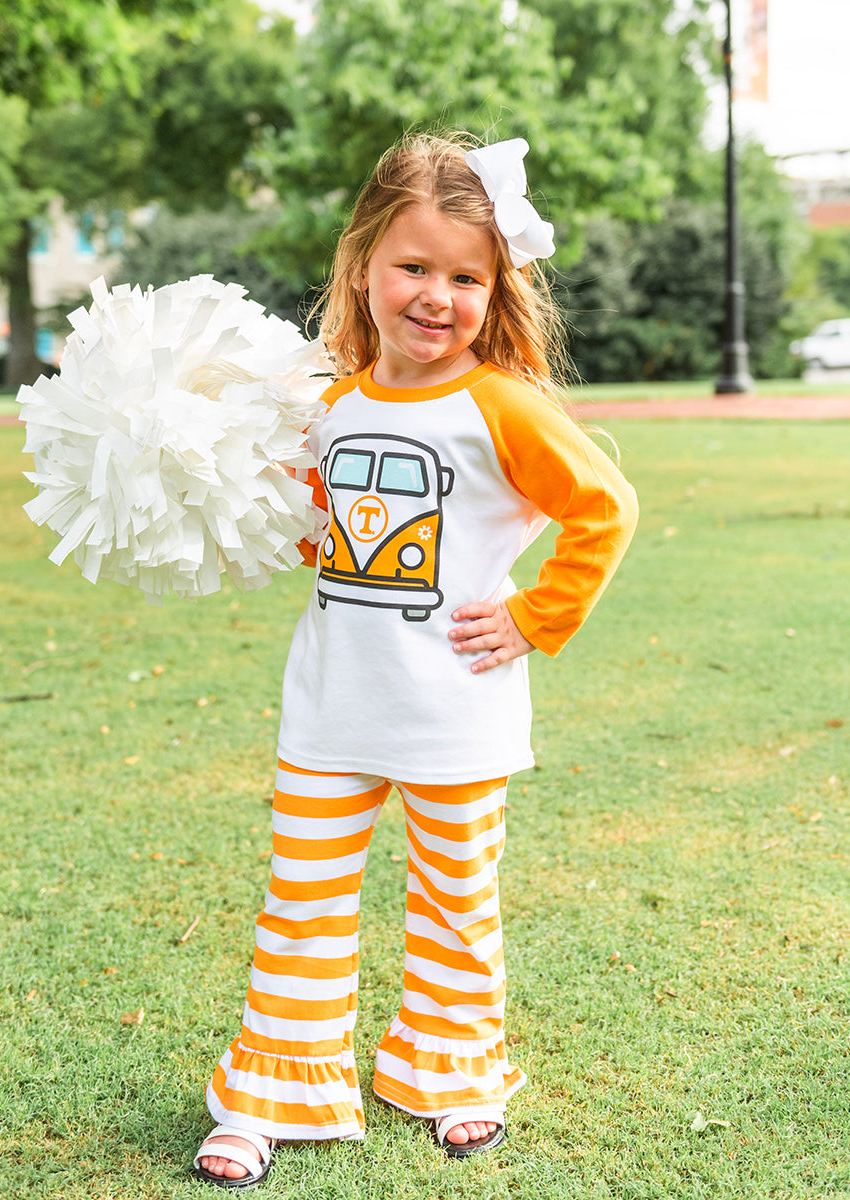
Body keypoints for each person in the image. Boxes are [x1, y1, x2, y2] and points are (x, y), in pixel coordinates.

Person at [193, 131, 639, 1189]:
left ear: (496, 289)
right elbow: (325, 538)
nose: (437, 296)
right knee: (301, 904)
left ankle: (452, 1072)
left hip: (457, 716)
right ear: (363, 267)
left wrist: (537, 616)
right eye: (413, 266)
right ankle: (272, 1093)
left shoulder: (502, 404)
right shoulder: (330, 406)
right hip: (330, 710)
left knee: (454, 904)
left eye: (466, 277)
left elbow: (605, 508)